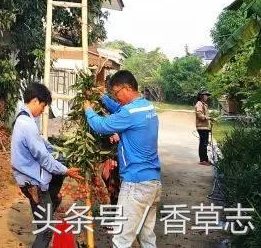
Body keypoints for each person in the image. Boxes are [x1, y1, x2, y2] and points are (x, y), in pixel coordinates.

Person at [84, 70, 161, 248]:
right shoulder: (147, 107)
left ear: (126, 88)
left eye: (116, 93)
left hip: (136, 184)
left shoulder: (130, 113)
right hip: (153, 183)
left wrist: (88, 110)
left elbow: (101, 125)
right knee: (147, 237)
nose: (116, 98)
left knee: (121, 240)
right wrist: (103, 99)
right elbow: (121, 110)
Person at [11, 82, 82, 248]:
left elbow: (42, 144)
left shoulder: (23, 118)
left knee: (53, 201)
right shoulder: (27, 125)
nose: (43, 111)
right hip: (33, 183)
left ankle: (50, 202)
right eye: (43, 106)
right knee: (46, 231)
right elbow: (44, 158)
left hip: (29, 180)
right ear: (35, 101)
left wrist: (60, 150)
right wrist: (66, 171)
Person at [195, 89, 212, 165]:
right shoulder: (199, 104)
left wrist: (210, 119)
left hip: (205, 127)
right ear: (201, 96)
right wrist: (206, 118)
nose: (207, 97)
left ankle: (205, 159)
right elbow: (199, 114)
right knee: (203, 143)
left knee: (205, 143)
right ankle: (203, 160)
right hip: (202, 127)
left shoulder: (204, 104)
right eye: (206, 95)